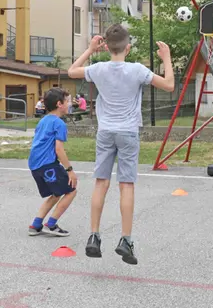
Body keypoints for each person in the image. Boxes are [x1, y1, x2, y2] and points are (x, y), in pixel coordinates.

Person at [67, 24, 175, 264]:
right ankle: (126, 239)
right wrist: (166, 58)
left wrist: (89, 50)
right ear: (128, 48)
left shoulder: (98, 68)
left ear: (106, 47)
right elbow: (169, 85)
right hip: (127, 132)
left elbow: (71, 71)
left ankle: (94, 236)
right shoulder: (136, 70)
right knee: (126, 185)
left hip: (105, 132)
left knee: (100, 183)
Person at [27, 88, 78, 237]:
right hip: (47, 164)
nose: (70, 104)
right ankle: (51, 224)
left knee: (56, 193)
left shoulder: (43, 120)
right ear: (59, 104)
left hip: (35, 165)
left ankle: (35, 225)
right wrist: (70, 170)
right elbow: (59, 150)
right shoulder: (59, 123)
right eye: (67, 101)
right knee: (71, 189)